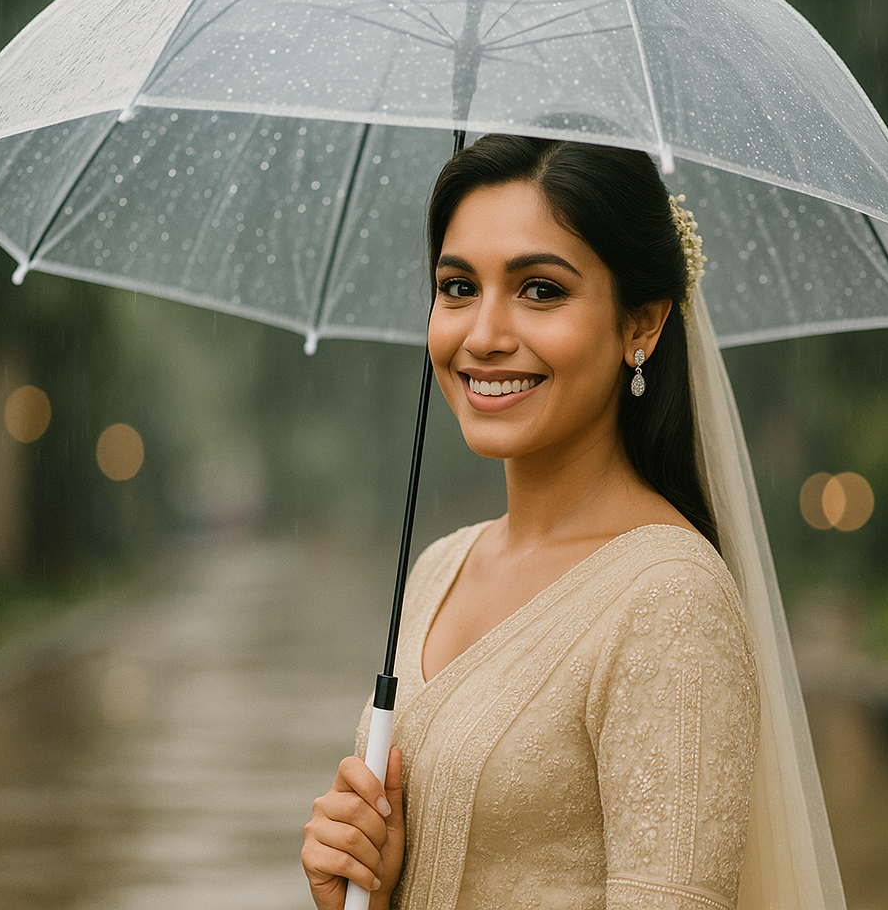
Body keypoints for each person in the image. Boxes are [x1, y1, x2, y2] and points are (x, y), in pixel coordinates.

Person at [301, 135, 845, 910]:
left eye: (541, 290)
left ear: (642, 325)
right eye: (457, 287)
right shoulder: (439, 569)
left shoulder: (668, 602)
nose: (483, 334)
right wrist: (367, 895)